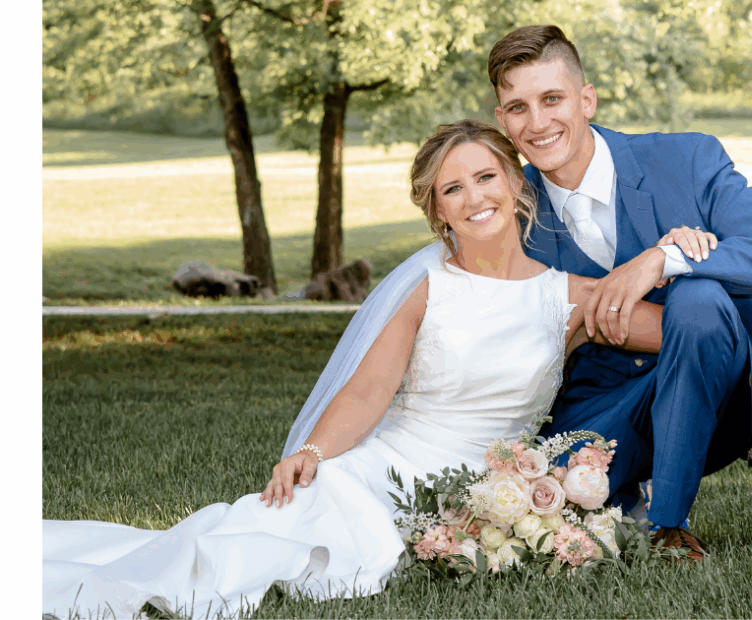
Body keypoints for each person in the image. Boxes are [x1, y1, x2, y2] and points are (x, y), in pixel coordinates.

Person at [43, 120, 711, 620]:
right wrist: (312, 449)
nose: (474, 196)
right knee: (272, 532)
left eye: (485, 177)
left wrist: (667, 257)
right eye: (453, 188)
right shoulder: (429, 286)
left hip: (481, 483)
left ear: (515, 183)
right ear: (438, 209)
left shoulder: (569, 298)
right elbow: (367, 391)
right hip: (382, 464)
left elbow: (691, 336)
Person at [486, 25, 752, 560]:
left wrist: (666, 259)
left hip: (715, 400)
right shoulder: (505, 208)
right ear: (502, 120)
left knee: (699, 297)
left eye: (553, 99)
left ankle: (669, 521)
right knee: (542, 522)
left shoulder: (687, 160)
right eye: (518, 107)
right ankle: (623, 492)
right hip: (597, 413)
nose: (539, 122)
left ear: (586, 99)